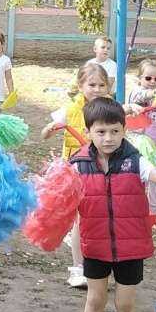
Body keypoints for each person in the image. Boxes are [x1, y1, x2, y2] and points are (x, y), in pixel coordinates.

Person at [72, 98, 156, 312]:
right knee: (95, 300)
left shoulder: (136, 160)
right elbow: (59, 197)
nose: (108, 138)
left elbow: (155, 176)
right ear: (89, 131)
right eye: (101, 132)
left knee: (125, 304)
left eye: (115, 131)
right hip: (96, 245)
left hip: (131, 247)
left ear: (124, 130)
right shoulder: (78, 164)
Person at [42, 61, 112, 288]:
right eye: (92, 84)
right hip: (77, 172)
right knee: (80, 220)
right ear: (81, 85)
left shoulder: (110, 110)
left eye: (102, 85)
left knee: (98, 218)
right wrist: (49, 129)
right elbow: (48, 130)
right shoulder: (71, 110)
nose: (97, 89)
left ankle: (97, 262)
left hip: (104, 171)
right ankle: (77, 268)